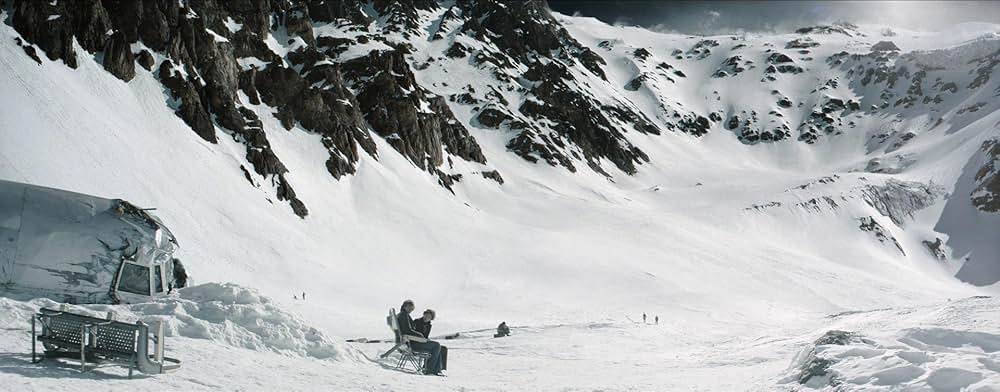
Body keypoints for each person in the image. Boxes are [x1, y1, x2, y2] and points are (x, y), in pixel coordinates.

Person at [397, 300, 444, 376]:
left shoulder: (405, 315)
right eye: (426, 315)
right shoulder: (407, 317)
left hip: (417, 342)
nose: (411, 310)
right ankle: (429, 370)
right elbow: (408, 330)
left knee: (441, 348)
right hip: (414, 343)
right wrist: (420, 335)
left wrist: (424, 338)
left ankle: (436, 370)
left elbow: (423, 336)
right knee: (437, 346)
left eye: (429, 317)